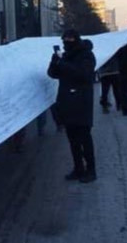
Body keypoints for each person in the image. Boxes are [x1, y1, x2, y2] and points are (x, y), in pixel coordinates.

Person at [47, 29, 97, 183]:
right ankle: (78, 168)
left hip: (82, 102)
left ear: (76, 39)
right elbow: (52, 74)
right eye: (64, 39)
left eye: (69, 39)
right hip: (67, 101)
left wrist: (63, 63)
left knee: (84, 139)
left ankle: (91, 170)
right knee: (73, 139)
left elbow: (84, 74)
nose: (66, 42)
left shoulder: (86, 55)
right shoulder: (66, 55)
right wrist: (54, 61)